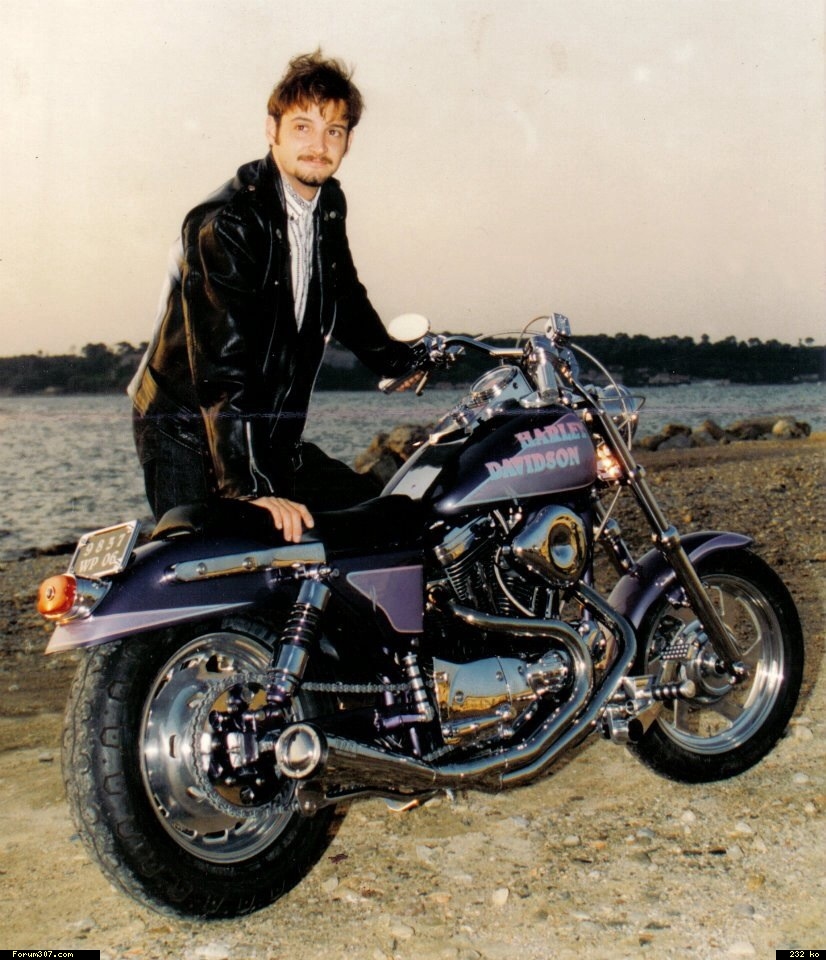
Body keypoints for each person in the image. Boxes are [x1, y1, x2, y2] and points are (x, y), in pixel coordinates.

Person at [130, 51, 420, 542]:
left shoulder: (327, 203)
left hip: (264, 428)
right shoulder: (229, 222)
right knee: (208, 563)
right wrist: (250, 488)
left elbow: (343, 294)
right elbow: (223, 367)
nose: (318, 146)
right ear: (273, 130)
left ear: (348, 141)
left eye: (334, 131)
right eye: (303, 127)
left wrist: (395, 361)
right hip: (187, 429)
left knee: (373, 525)